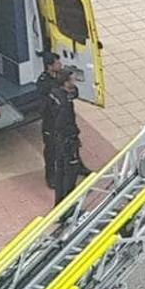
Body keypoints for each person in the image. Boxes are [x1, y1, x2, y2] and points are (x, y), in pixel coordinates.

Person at [49, 68, 91, 205]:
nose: (75, 81)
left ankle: (59, 201)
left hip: (58, 139)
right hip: (67, 140)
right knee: (69, 172)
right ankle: (68, 202)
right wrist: (73, 135)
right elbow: (64, 123)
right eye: (72, 79)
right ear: (66, 82)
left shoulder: (55, 94)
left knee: (61, 170)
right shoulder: (64, 104)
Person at [36, 51, 64, 188]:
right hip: (51, 122)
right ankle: (50, 176)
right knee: (51, 149)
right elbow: (43, 105)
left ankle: (78, 166)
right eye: (57, 63)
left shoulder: (60, 77)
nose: (60, 65)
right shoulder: (44, 83)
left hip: (63, 120)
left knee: (71, 143)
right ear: (49, 66)